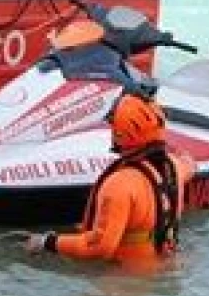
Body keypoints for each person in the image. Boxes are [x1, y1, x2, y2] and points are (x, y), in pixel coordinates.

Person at [25, 91, 191, 266]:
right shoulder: (174, 168)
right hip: (166, 267)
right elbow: (190, 165)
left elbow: (100, 247)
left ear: (121, 133)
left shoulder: (119, 185)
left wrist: (46, 242)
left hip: (124, 282)